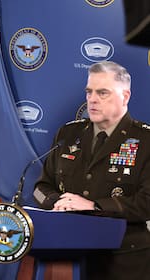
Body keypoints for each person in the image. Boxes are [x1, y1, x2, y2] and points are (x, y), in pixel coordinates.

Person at [33, 61, 150, 280]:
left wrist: (94, 206)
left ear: (125, 96)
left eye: (102, 93)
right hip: (65, 256)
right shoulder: (67, 134)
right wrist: (56, 202)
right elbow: (41, 187)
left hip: (123, 262)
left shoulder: (146, 141)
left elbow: (147, 202)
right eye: (89, 92)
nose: (92, 100)